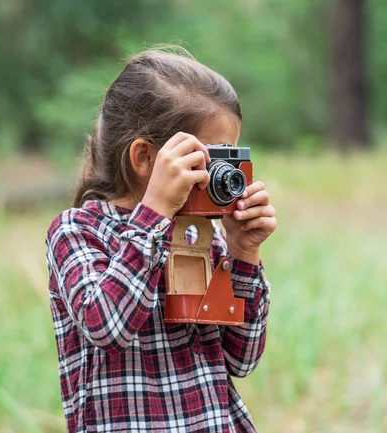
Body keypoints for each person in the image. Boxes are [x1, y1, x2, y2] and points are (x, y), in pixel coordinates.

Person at [45, 47, 277, 433]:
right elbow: (106, 325)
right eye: (206, 159)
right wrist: (155, 213)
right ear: (144, 158)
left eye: (228, 157)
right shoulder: (76, 230)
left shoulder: (201, 233)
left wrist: (243, 252)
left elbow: (242, 358)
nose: (220, 174)